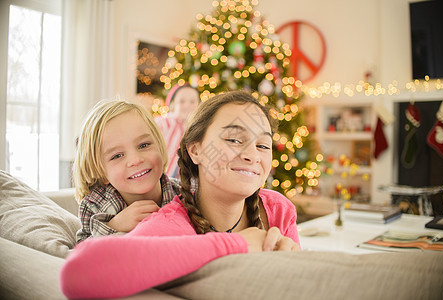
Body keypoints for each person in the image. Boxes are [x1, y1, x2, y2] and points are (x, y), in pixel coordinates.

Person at [60, 91, 300, 299]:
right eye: (234, 140)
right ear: (195, 150)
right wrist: (237, 243)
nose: (253, 155)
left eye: (263, 145)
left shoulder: (278, 208)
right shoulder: (168, 220)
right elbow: (79, 270)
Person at [73, 100, 181, 243]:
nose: (135, 160)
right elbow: (82, 251)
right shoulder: (96, 205)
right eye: (117, 156)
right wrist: (115, 226)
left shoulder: (185, 193)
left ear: (159, 146)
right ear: (101, 172)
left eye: (144, 145)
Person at [155, 84, 200, 178]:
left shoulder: (199, 129)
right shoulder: (164, 123)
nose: (187, 105)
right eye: (182, 101)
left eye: (192, 102)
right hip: (162, 176)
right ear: (172, 105)